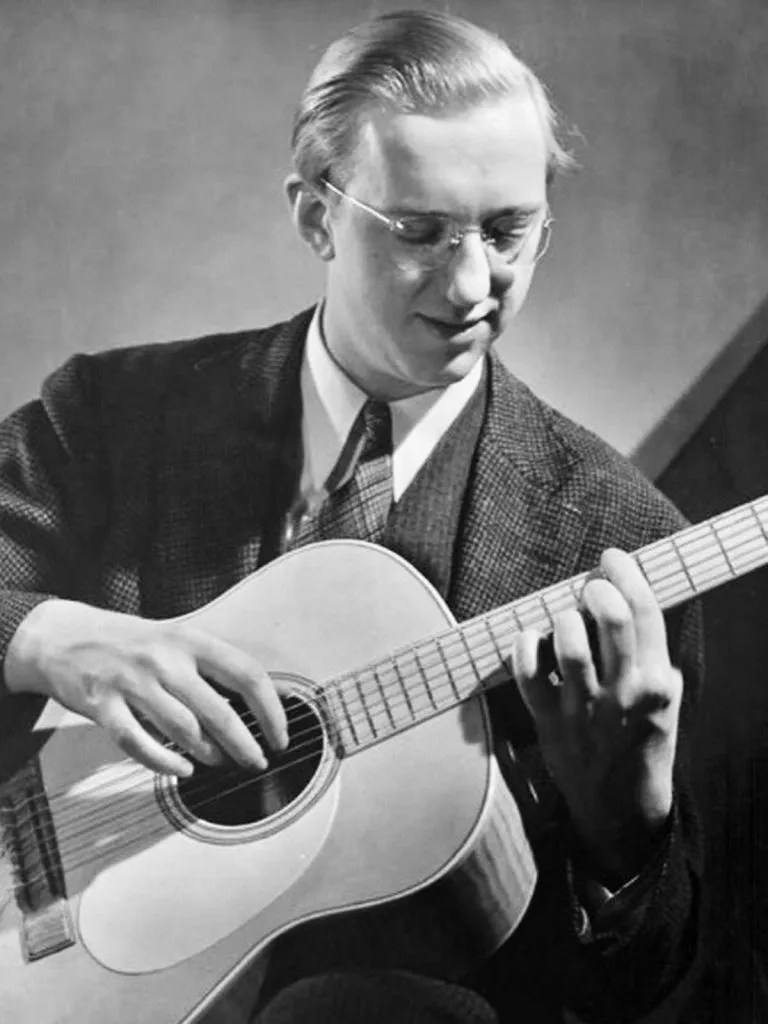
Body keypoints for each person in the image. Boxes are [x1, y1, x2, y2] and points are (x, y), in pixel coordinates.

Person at [0, 9, 703, 1024]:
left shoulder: (624, 537)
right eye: (418, 231)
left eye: (508, 232)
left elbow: (657, 987)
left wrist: (628, 826)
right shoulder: (115, 413)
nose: (471, 287)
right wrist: (52, 637)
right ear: (315, 215)